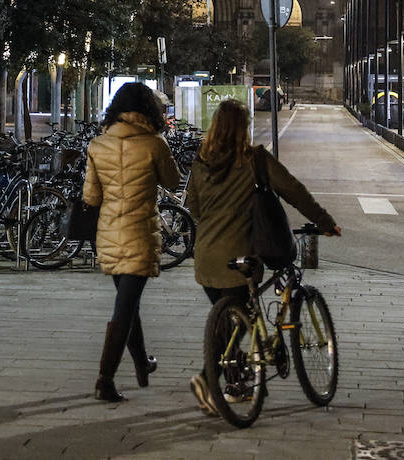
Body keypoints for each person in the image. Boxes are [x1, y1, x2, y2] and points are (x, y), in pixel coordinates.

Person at [183, 98, 340, 415]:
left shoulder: (202, 162)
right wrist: (325, 222)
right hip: (240, 257)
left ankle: (238, 382)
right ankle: (207, 379)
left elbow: (194, 208)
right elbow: (294, 191)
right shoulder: (254, 160)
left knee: (231, 322)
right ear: (243, 128)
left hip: (206, 256)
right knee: (238, 322)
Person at [82, 82, 181, 403]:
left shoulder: (98, 145)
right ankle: (105, 379)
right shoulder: (154, 144)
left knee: (128, 303)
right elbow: (173, 182)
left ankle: (141, 362)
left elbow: (91, 196)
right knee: (125, 306)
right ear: (148, 109)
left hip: (108, 233)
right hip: (138, 232)